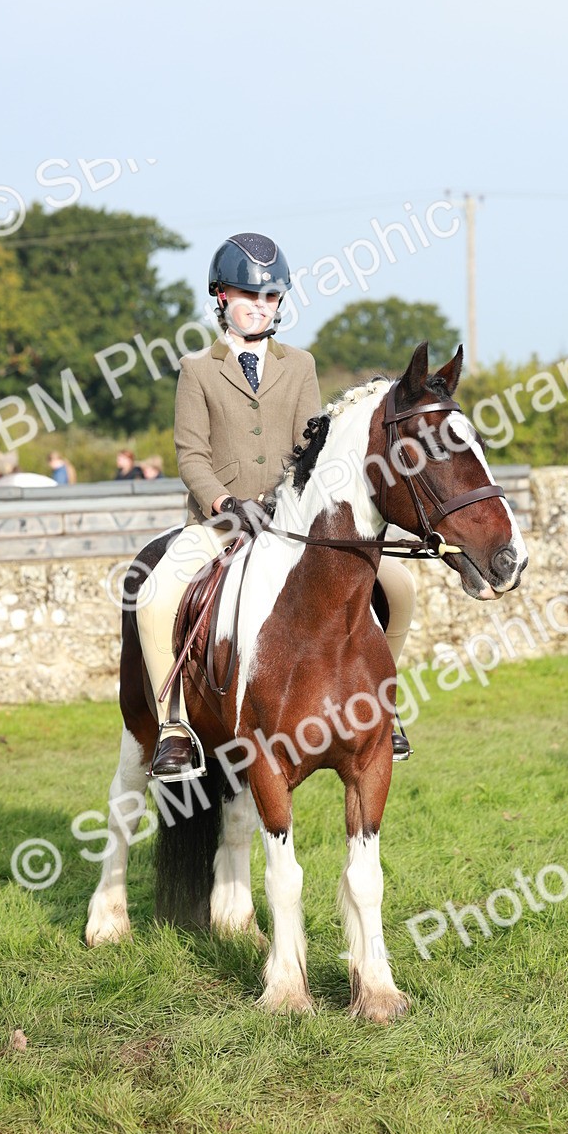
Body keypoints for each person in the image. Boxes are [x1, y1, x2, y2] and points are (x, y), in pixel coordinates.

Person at [137, 232, 415, 779]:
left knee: (401, 586)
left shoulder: (301, 364)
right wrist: (226, 503)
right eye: (247, 295)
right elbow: (190, 454)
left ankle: (385, 703)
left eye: (269, 297)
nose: (259, 307)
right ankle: (174, 726)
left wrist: (292, 503)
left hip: (289, 525)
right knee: (153, 595)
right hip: (220, 524)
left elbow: (310, 444)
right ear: (220, 296)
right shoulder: (197, 369)